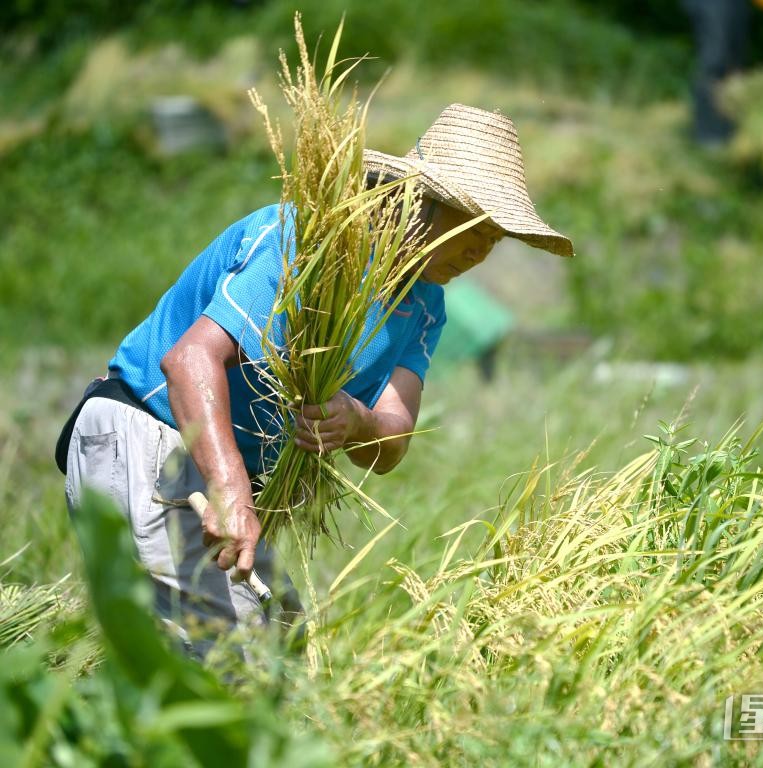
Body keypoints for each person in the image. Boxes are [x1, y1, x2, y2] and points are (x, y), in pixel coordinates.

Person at [58, 103, 573, 652]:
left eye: (495, 237)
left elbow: (392, 440)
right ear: (416, 201)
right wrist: (231, 490)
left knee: (282, 645)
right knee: (222, 664)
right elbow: (189, 362)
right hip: (153, 436)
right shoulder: (310, 243)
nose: (480, 250)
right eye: (473, 225)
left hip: (217, 474)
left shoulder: (425, 305)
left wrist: (357, 421)